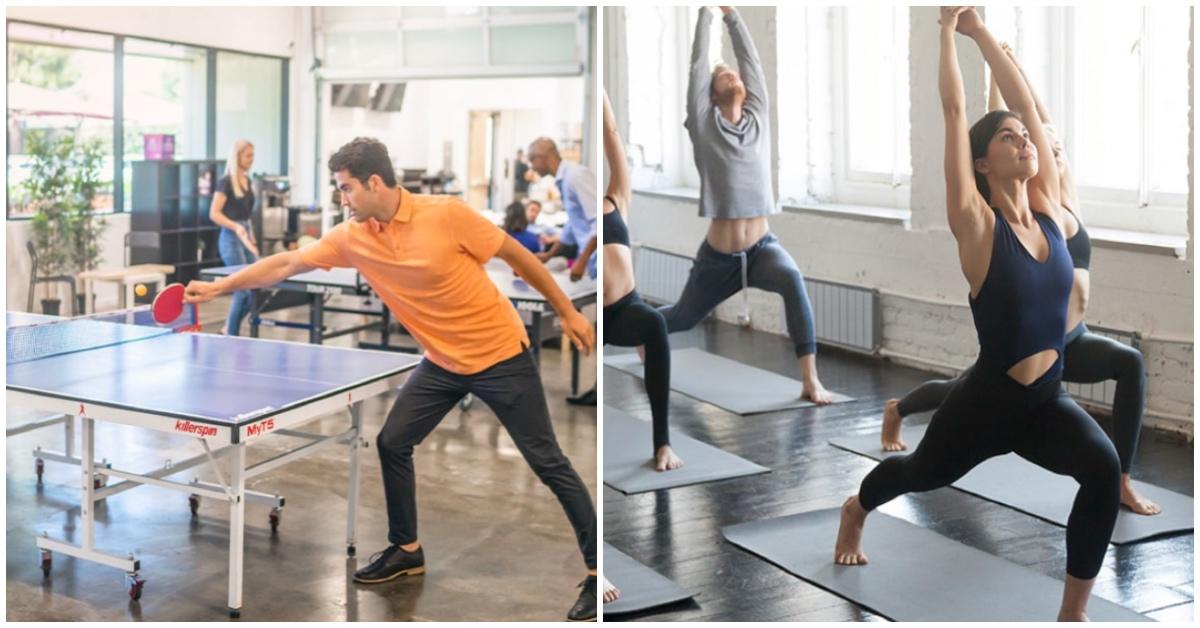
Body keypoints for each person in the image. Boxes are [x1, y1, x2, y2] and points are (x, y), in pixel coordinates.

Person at [184, 137, 600, 621]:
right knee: (393, 441)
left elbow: (517, 256)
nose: (342, 200)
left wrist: (567, 311)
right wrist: (220, 286)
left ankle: (595, 573)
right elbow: (287, 264)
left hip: (500, 355)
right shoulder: (353, 235)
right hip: (443, 361)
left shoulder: (446, 214)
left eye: (346, 189)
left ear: (374, 182)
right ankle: (406, 548)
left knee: (547, 461)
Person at [835, 9, 1120, 621]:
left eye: (1025, 136)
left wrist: (985, 35)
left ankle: (1073, 613)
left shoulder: (1051, 212)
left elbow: (1025, 103)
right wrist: (944, 32)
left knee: (1102, 468)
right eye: (1008, 137)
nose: (1023, 140)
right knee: (919, 473)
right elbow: (956, 115)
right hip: (986, 403)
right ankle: (855, 510)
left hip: (1045, 401)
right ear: (983, 164)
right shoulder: (978, 226)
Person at [880, 40, 1159, 516]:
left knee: (1127, 366)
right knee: (939, 434)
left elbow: (1027, 114)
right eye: (1026, 141)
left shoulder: (1059, 198)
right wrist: (981, 52)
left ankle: (1122, 478)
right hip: (1013, 352)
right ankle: (898, 411)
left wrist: (1002, 62)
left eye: (1048, 143)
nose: (1041, 147)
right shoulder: (1018, 206)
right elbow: (993, 119)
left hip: (1069, 341)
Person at [666, 6, 832, 404]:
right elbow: (697, 67)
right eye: (724, 75)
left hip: (762, 249)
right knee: (682, 318)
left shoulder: (758, 118)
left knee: (793, 281)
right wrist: (707, 13)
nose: (734, 75)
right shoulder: (705, 125)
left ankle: (810, 380)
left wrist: (732, 14)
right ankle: (638, 331)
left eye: (735, 74)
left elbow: (751, 62)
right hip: (718, 259)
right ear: (710, 94)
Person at [601, 90, 682, 474]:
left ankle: (662, 443)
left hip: (624, 309)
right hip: (594, 315)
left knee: (655, 322)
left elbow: (612, 134)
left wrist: (602, 95)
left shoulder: (617, 198)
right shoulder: (578, 217)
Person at [527, 137, 596, 282]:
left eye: (532, 160)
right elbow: (572, 227)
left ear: (542, 157)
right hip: (592, 259)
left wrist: (581, 262)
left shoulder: (576, 176)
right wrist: (548, 255)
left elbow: (601, 222)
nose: (532, 167)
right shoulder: (563, 181)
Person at [208, 139, 258, 336]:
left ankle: (229, 326)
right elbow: (214, 213)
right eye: (248, 156)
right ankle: (231, 333)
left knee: (255, 288)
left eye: (253, 155)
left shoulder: (248, 181)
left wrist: (252, 239)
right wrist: (235, 227)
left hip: (245, 236)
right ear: (237, 157)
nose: (251, 160)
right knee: (242, 290)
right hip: (230, 238)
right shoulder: (226, 182)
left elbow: (247, 216)